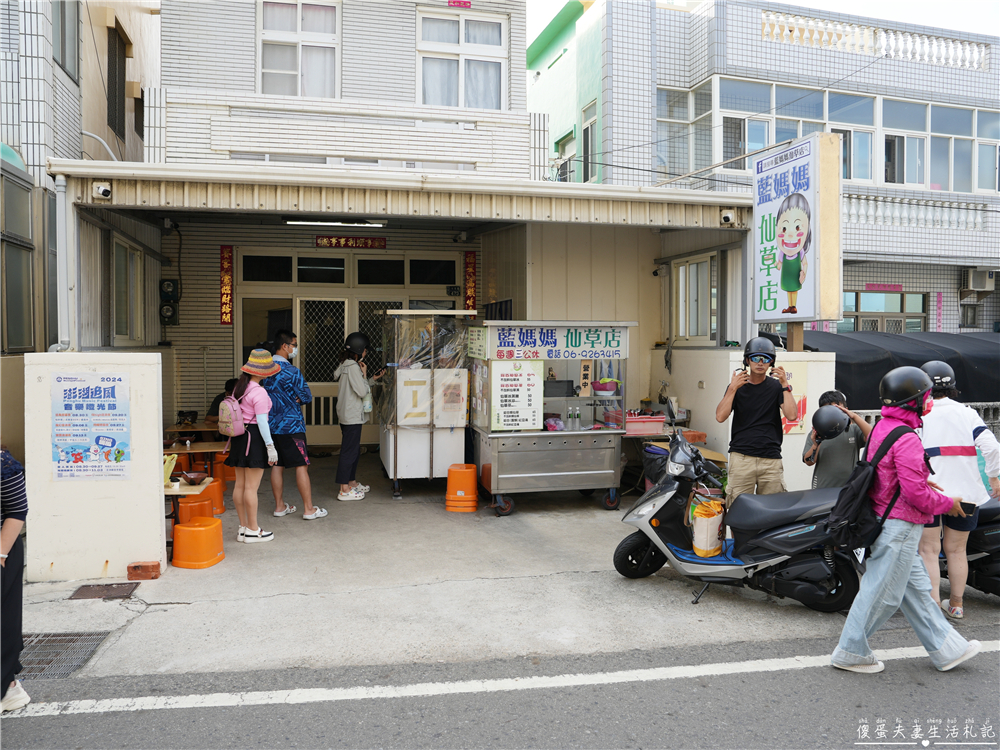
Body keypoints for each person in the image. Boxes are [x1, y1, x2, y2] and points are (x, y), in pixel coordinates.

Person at [830, 366, 980, 674]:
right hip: (898, 527)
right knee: (883, 595)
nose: (929, 401)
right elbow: (915, 496)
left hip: (886, 522)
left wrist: (924, 484)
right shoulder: (908, 437)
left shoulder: (883, 427)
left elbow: (886, 477)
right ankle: (850, 650)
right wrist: (948, 503)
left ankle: (946, 648)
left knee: (918, 592)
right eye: (925, 396)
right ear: (912, 401)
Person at [917, 360, 1000, 620]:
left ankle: (931, 607)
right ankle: (956, 605)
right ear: (952, 386)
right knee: (956, 550)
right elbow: (993, 448)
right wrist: (994, 478)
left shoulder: (920, 414)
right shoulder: (967, 413)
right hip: (965, 492)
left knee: (929, 550)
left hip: (931, 492)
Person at [715, 337, 797, 507]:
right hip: (742, 457)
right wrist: (732, 388)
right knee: (739, 510)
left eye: (766, 359)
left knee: (773, 511)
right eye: (755, 358)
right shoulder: (737, 387)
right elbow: (720, 417)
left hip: (771, 460)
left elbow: (791, 415)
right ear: (747, 360)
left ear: (771, 362)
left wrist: (785, 384)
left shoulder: (776, 387)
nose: (760, 363)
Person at [262, 330, 326, 520]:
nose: (295, 348)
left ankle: (279, 506)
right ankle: (308, 509)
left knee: (277, 465)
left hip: (271, 425)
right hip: (292, 426)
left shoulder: (264, 371)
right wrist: (296, 398)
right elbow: (306, 396)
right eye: (294, 345)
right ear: (285, 346)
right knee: (301, 465)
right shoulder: (292, 371)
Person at [225, 349, 281, 543]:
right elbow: (263, 423)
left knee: (239, 485)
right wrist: (270, 446)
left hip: (239, 439)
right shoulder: (259, 392)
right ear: (261, 372)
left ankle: (242, 528)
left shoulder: (239, 389)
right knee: (251, 488)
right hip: (254, 438)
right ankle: (253, 529)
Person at [333, 332, 383, 501]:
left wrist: (372, 379)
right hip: (352, 415)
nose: (366, 352)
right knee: (349, 451)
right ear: (359, 349)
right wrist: (364, 374)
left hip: (347, 414)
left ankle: (351, 482)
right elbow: (361, 391)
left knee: (353, 450)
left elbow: (357, 387)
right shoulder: (353, 367)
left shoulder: (345, 365)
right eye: (365, 349)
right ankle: (344, 489)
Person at [1, 446, 30, 712]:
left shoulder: (2, 462)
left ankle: (7, 688)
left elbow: (17, 510)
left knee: (3, 621)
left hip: (3, 550)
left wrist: (0, 553)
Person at [802, 390, 873, 489]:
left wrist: (854, 416)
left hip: (849, 488)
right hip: (823, 488)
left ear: (845, 410)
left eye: (836, 409)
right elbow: (809, 462)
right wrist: (816, 443)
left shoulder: (853, 430)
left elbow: (873, 436)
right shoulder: (816, 433)